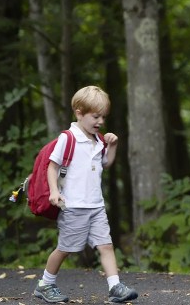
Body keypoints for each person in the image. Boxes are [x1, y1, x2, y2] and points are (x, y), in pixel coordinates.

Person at [33, 85, 138, 304]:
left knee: (106, 246)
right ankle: (45, 284)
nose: (100, 121)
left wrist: (113, 146)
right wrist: (54, 191)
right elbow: (52, 167)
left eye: (103, 117)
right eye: (96, 116)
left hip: (96, 206)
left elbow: (106, 164)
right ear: (79, 112)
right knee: (65, 249)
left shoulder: (99, 140)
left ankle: (115, 287)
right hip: (73, 206)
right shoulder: (68, 139)